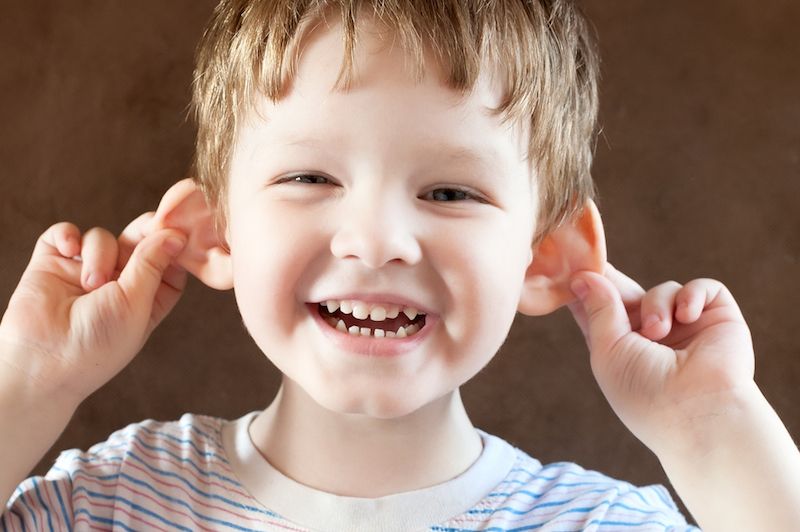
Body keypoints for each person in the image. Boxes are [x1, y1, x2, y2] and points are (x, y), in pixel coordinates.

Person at [1, 1, 799, 530]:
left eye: (450, 190)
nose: (376, 240)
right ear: (211, 232)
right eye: (310, 178)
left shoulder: (601, 526)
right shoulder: (108, 505)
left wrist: (715, 429)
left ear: (546, 258)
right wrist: (28, 381)